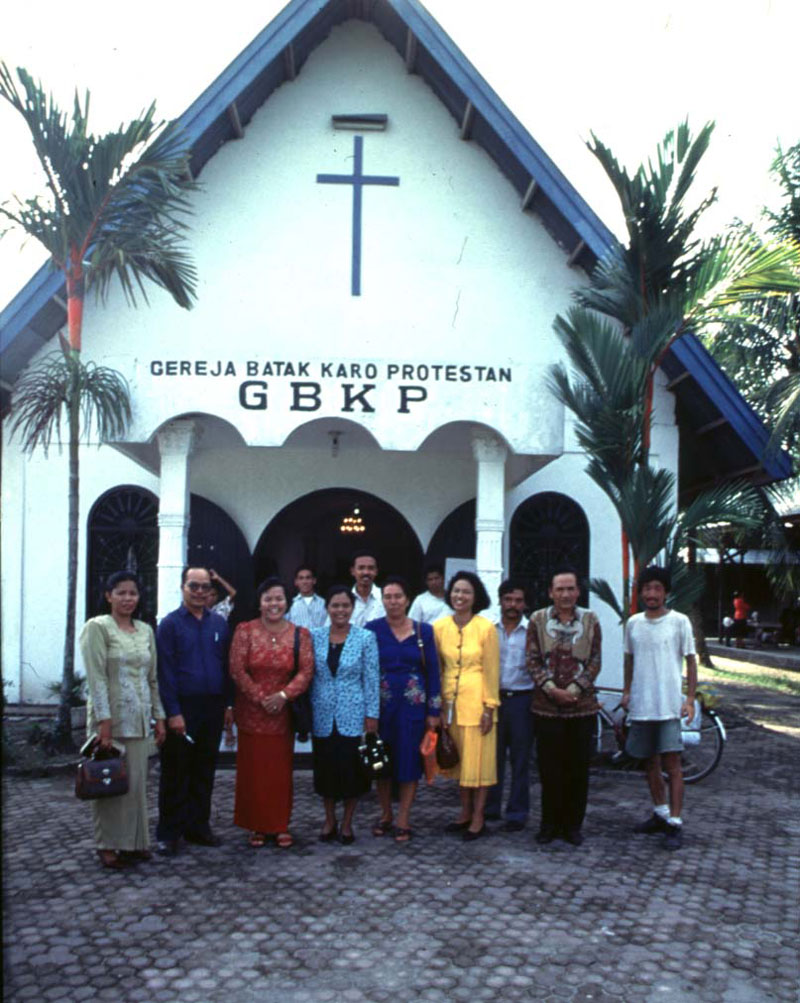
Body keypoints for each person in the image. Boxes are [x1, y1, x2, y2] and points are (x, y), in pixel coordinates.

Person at [80, 571, 166, 870]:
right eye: (121, 593)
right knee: (109, 782)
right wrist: (103, 722)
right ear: (108, 595)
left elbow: (152, 678)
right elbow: (97, 678)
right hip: (111, 720)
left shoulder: (145, 630)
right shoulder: (97, 628)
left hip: (140, 720)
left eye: (133, 593)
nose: (128, 599)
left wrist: (160, 717)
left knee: (135, 785)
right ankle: (108, 845)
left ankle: (134, 843)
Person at [229, 576, 314, 848]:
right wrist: (261, 698)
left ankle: (279, 825)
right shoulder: (245, 631)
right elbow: (236, 669)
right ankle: (256, 824)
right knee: (253, 772)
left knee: (279, 773)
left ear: (286, 602)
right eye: (268, 599)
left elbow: (306, 670)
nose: (274, 604)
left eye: (279, 598)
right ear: (260, 602)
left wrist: (284, 696)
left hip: (283, 715)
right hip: (252, 714)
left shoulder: (300, 634)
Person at [155, 566, 234, 856]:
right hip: (182, 707)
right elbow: (165, 672)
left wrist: (228, 704)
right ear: (182, 587)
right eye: (193, 586)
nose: (200, 592)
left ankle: (198, 827)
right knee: (176, 772)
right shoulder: (170, 625)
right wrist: (173, 712)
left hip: (212, 707)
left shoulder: (218, 624)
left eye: (204, 586)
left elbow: (225, 667)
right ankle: (169, 832)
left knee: (204, 770)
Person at [622, 566, 697, 851]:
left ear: (665, 592)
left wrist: (688, 700)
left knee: (673, 766)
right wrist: (628, 691)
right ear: (641, 593)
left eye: (657, 588)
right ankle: (660, 812)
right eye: (647, 589)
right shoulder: (634, 624)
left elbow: (691, 661)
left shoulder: (680, 622)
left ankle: (675, 823)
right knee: (649, 763)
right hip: (642, 705)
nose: (652, 594)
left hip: (668, 706)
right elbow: (629, 659)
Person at [526, 567, 601, 846]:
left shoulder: (591, 620)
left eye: (570, 589)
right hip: (546, 709)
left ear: (578, 592)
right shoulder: (537, 620)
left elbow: (595, 661)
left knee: (578, 769)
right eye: (560, 589)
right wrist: (552, 690)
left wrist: (572, 690)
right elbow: (532, 660)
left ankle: (573, 826)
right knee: (549, 769)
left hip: (581, 708)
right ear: (550, 592)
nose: (565, 594)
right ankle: (549, 824)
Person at [365, 577, 442, 842]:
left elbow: (434, 672)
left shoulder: (424, 632)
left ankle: (403, 818)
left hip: (413, 710)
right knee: (379, 764)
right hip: (380, 711)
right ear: (382, 600)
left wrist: (434, 712)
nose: (393, 601)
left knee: (409, 763)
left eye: (398, 596)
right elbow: (366, 672)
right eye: (387, 596)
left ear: (408, 599)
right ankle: (385, 814)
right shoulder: (371, 630)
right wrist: (368, 712)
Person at [310, 585, 380, 843]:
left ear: (352, 609)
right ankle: (329, 820)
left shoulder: (365, 638)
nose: (340, 610)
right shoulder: (314, 636)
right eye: (335, 605)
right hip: (323, 715)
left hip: (354, 715)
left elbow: (371, 679)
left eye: (345, 606)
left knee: (353, 773)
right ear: (327, 608)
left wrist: (372, 715)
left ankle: (348, 823)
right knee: (326, 771)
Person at [433, 571, 499, 841]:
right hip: (450, 704)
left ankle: (479, 816)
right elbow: (436, 668)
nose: (460, 596)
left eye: (466, 592)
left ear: (475, 597)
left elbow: (492, 670)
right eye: (456, 591)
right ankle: (464, 812)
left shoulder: (486, 628)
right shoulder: (439, 627)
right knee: (459, 763)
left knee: (479, 764)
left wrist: (490, 707)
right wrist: (438, 705)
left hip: (478, 703)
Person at [485, 579, 533, 832]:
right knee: (492, 757)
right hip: (494, 699)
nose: (513, 605)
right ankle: (490, 808)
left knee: (520, 758)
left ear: (524, 603)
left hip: (523, 700)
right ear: (500, 600)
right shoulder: (488, 629)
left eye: (518, 600)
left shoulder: (532, 630)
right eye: (508, 600)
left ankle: (517, 812)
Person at [347, 551, 384, 627]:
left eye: (370, 568)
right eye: (361, 568)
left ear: (376, 571)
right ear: (352, 571)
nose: (366, 572)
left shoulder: (386, 597)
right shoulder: (343, 599)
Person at [287, 564, 328, 629]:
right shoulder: (290, 604)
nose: (304, 582)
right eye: (301, 578)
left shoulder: (324, 603)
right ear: (296, 582)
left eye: (308, 578)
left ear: (314, 581)